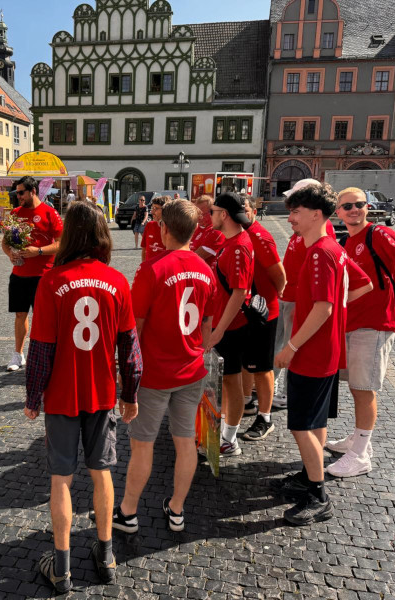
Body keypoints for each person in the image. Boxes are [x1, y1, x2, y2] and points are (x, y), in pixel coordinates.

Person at [25, 201, 141, 593]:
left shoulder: (51, 281)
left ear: (69, 234)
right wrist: (131, 392)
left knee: (61, 480)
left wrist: (32, 396)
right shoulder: (117, 280)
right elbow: (130, 348)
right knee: (102, 472)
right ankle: (106, 555)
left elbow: (40, 348)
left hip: (61, 395)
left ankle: (61, 567)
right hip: (103, 393)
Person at [113, 199, 217, 535]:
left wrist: (124, 372)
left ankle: (128, 512)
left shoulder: (152, 269)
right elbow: (207, 325)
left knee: (142, 444)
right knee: (185, 441)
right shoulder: (206, 270)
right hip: (192, 369)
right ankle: (176, 509)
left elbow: (135, 328)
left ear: (164, 228)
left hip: (156, 373)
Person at [272, 183, 372, 526]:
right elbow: (363, 285)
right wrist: (336, 315)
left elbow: (323, 307)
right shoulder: (334, 247)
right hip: (325, 351)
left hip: (312, 354)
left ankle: (318, 494)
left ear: (316, 215)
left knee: (301, 425)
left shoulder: (320, 253)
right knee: (314, 422)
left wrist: (291, 347)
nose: (291, 218)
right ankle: (308, 476)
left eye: (297, 212)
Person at [327, 188, 395, 477]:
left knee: (363, 388)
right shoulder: (344, 241)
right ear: (339, 211)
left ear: (367, 207)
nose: (354, 209)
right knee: (357, 386)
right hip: (351, 323)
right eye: (347, 206)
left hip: (374, 323)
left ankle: (359, 454)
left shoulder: (380, 234)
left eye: (359, 204)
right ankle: (359, 440)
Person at [273, 179, 333, 409]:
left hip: (297, 299)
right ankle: (277, 386)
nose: (290, 215)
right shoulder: (304, 229)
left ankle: (288, 392)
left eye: (296, 209)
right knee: (280, 344)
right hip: (287, 296)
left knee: (291, 345)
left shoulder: (320, 235)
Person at [205, 193, 254, 457]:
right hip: (225, 323)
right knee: (225, 381)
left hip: (232, 327)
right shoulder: (232, 242)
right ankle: (224, 430)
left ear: (224, 214)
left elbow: (239, 291)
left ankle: (229, 439)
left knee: (232, 382)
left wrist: (220, 329)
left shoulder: (238, 246)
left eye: (212, 211)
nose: (209, 215)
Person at [2, 175, 63, 372]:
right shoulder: (15, 213)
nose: (18, 196)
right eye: (16, 193)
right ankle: (18, 354)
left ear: (33, 191)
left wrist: (37, 251)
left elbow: (62, 244)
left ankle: (44, 354)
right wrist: (10, 253)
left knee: (43, 317)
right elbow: (5, 241)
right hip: (19, 273)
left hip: (43, 275)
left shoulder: (50, 213)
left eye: (21, 192)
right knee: (20, 314)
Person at [238, 196, 286, 441]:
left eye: (244, 209)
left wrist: (267, 300)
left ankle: (265, 418)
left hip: (262, 312)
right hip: (245, 310)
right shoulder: (236, 233)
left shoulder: (260, 236)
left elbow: (279, 276)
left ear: (253, 210)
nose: (239, 213)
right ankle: (247, 402)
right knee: (248, 361)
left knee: (262, 367)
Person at [189, 195, 225, 267]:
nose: (199, 217)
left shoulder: (217, 232)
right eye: (197, 213)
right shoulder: (196, 227)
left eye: (202, 214)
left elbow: (195, 258)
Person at [140, 196, 167, 262]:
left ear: (165, 210)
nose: (152, 212)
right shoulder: (149, 225)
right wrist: (144, 267)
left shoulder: (171, 229)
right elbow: (144, 249)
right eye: (152, 208)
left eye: (156, 208)